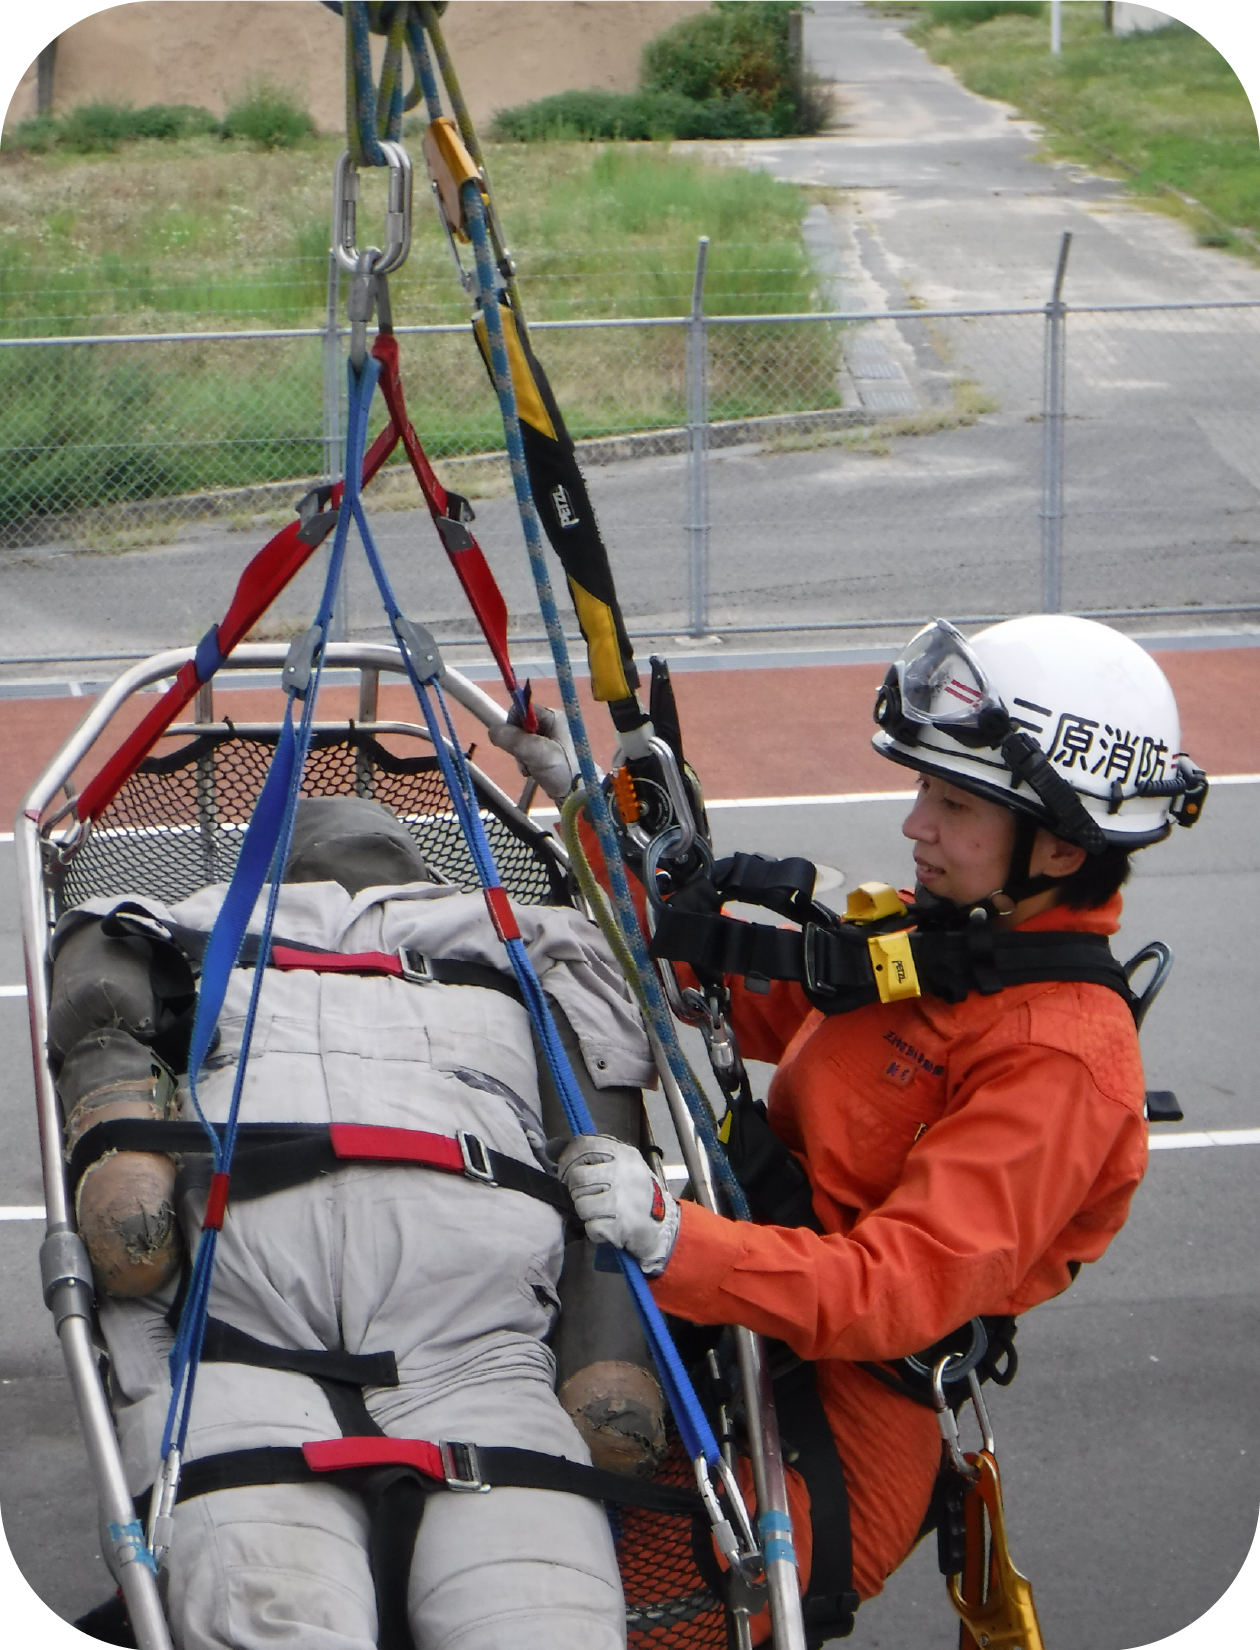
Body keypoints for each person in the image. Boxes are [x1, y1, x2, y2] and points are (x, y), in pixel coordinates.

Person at [495, 614, 1207, 1619]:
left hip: (838, 1431)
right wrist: (589, 807)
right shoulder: (948, 949)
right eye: (924, 787)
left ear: (1055, 846)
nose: (915, 823)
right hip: (746, 1321)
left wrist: (671, 1238)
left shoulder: (1060, 1059)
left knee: (560, 1606)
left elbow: (898, 1287)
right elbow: (714, 987)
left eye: (953, 802)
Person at [49, 796, 668, 1650]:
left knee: (495, 1621)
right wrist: (119, 1128)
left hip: (471, 1353)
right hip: (243, 1342)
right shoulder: (183, 929)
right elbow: (99, 985)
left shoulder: (527, 941)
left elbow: (602, 1140)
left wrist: (607, 1351)